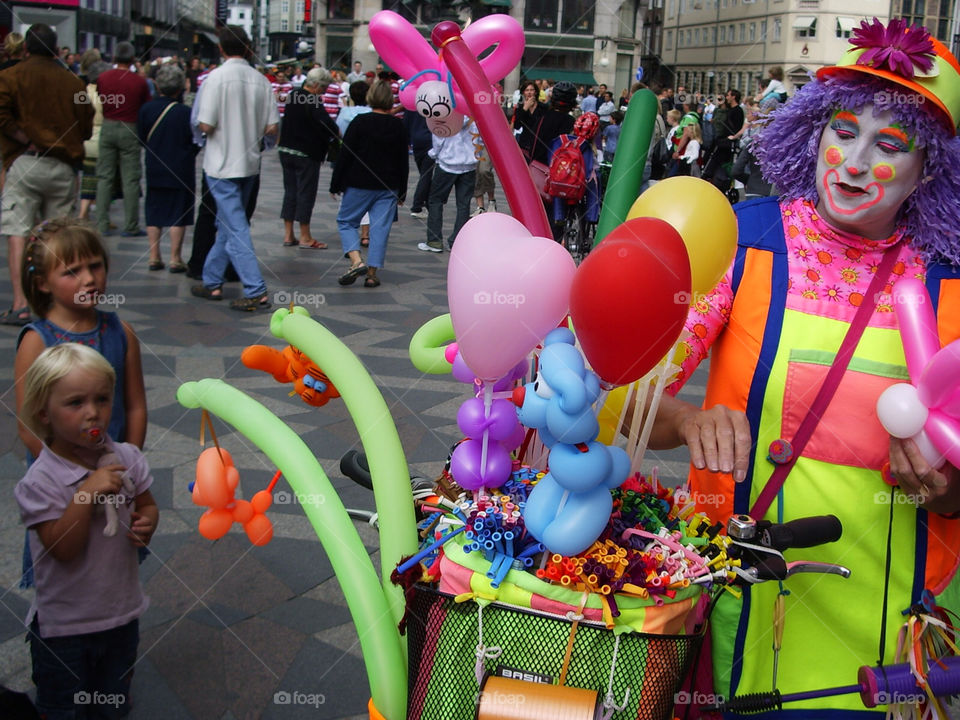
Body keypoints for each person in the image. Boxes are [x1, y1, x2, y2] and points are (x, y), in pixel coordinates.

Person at [635, 19, 960, 716]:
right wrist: (689, 419)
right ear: (814, 131)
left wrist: (948, 492)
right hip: (743, 595)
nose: (852, 160)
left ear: (927, 169)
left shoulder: (952, 286)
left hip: (892, 628)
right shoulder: (742, 242)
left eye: (889, 144)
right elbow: (621, 398)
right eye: (843, 131)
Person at [16, 342, 157, 720]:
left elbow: (146, 503)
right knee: (63, 709)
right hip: (64, 631)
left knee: (112, 704)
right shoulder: (40, 481)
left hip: (122, 615)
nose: (93, 413)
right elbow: (62, 549)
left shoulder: (128, 458)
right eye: (75, 403)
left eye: (102, 399)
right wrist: (84, 494)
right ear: (44, 414)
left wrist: (147, 523)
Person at [0, 23, 94, 327]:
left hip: (25, 162)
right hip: (63, 165)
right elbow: (86, 124)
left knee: (17, 231)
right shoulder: (72, 82)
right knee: (58, 237)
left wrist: (22, 136)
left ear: (26, 48)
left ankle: (21, 303)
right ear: (56, 49)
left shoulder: (10, 77)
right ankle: (57, 303)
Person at [191, 25, 279, 312]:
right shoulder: (261, 81)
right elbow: (272, 127)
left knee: (235, 227)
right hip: (250, 164)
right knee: (229, 225)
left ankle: (255, 289)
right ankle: (212, 280)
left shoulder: (214, 79)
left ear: (221, 48)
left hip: (220, 164)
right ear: (249, 48)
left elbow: (205, 124)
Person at [330, 80, 408, 288]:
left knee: (346, 221)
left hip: (359, 182)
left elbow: (345, 155)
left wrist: (335, 183)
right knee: (380, 229)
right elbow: (403, 161)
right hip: (389, 185)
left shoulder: (359, 122)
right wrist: (402, 191)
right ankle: (372, 274)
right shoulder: (398, 126)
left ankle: (356, 260)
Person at [138, 63, 197, 272]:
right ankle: (175, 257)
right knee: (178, 212)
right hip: (181, 168)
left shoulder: (146, 109)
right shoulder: (185, 112)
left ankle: (154, 256)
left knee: (154, 210)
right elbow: (194, 141)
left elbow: (141, 137)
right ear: (180, 87)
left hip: (155, 166)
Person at [277, 67, 340, 249]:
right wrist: (337, 132)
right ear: (317, 85)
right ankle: (305, 236)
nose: (325, 91)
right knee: (306, 192)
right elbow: (326, 125)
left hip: (286, 150)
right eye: (324, 87)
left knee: (290, 191)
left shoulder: (293, 94)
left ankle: (288, 234)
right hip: (306, 153)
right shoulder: (313, 100)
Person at [95, 41, 151, 237]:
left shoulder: (103, 78)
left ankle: (101, 222)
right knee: (131, 179)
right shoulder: (139, 82)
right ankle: (131, 224)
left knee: (104, 176)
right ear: (133, 59)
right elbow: (145, 106)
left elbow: (102, 98)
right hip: (130, 127)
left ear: (114, 58)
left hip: (108, 125)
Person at [417, 115, 478, 254]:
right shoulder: (472, 114)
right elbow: (479, 137)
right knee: (464, 204)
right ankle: (457, 241)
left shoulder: (445, 112)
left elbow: (439, 136)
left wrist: (434, 154)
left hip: (447, 163)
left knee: (435, 201)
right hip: (469, 163)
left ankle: (434, 240)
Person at [701, 88, 744, 190]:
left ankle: (718, 180)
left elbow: (737, 127)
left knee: (720, 162)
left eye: (728, 95)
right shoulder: (729, 110)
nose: (727, 97)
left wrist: (733, 136)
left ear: (733, 97)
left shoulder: (737, 111)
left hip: (727, 142)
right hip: (721, 140)